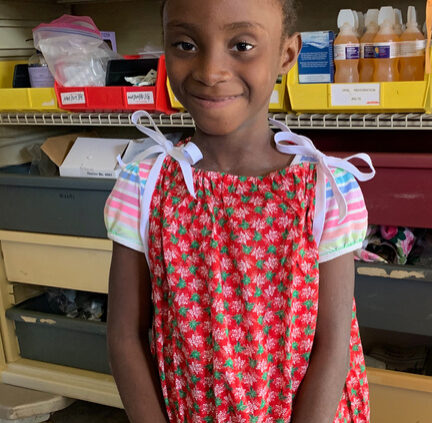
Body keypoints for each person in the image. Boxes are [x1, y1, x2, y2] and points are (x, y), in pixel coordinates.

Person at [103, 0, 374, 421]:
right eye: (185, 44)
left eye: (243, 44)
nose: (211, 71)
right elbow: (124, 336)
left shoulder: (325, 189)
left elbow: (333, 341)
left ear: (287, 54)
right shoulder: (144, 187)